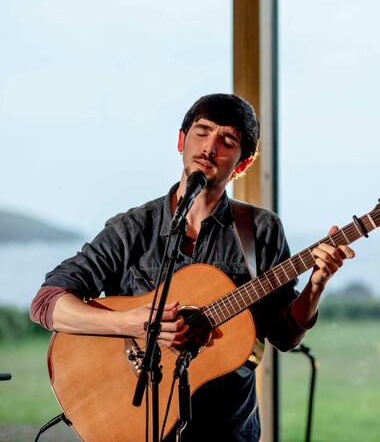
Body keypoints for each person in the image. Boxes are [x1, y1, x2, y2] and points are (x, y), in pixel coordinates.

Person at [30, 93, 355, 440]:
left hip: (227, 430)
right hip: (141, 426)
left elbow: (284, 336)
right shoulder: (132, 229)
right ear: (181, 141)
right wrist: (133, 322)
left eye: (227, 141)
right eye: (202, 132)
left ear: (242, 165)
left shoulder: (259, 229)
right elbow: (47, 304)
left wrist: (316, 285)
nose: (210, 147)